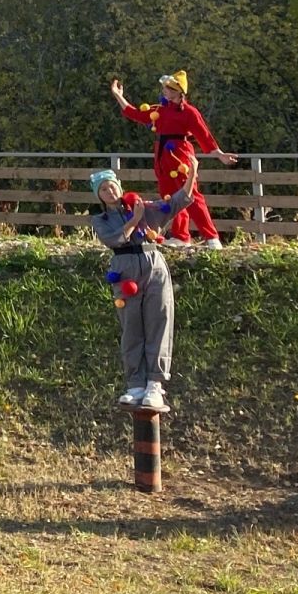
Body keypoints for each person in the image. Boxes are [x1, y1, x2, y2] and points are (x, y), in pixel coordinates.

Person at [88, 163, 198, 411]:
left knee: (159, 321)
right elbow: (114, 239)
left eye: (112, 186)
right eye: (103, 189)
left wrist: (191, 175)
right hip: (124, 269)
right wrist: (134, 220)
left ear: (119, 187)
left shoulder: (143, 207)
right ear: (99, 196)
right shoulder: (100, 219)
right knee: (131, 327)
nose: (109, 191)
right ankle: (135, 383)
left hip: (153, 264)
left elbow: (178, 202)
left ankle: (155, 384)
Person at [111, 73, 237, 248]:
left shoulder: (189, 112)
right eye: (164, 88)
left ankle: (211, 236)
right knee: (170, 198)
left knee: (191, 196)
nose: (164, 91)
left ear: (178, 92)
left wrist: (219, 154)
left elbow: (204, 135)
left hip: (180, 156)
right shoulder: (159, 110)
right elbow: (135, 114)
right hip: (162, 157)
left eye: (168, 88)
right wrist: (119, 96)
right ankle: (181, 236)